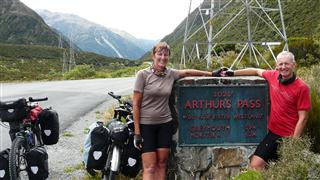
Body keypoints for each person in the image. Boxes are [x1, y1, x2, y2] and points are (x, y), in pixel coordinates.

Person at [132, 42, 221, 180]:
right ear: (153, 55)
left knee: (162, 163)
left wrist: (211, 74)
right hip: (146, 125)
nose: (163, 57)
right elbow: (136, 104)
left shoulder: (170, 74)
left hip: (165, 124)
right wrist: (137, 133)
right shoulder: (143, 75)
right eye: (159, 54)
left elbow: (188, 72)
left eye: (165, 54)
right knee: (150, 166)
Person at [222, 51, 311, 170]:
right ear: (276, 65)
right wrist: (232, 73)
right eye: (280, 64)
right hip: (274, 134)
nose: (283, 67)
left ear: (293, 65)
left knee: (287, 169)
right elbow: (255, 70)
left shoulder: (302, 87)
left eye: (287, 64)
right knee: (255, 165)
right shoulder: (272, 76)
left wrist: (294, 144)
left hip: (290, 136)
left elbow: (303, 118)